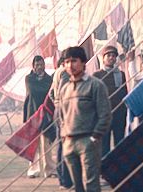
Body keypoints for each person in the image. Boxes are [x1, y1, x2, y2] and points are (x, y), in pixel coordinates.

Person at [58, 46, 112, 192]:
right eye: (67, 62)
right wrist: (64, 137)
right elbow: (61, 116)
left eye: (74, 61)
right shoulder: (65, 89)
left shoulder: (95, 85)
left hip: (88, 141)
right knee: (77, 187)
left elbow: (105, 114)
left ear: (83, 63)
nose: (70, 65)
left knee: (91, 184)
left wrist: (95, 137)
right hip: (69, 142)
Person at [93, 45, 128, 157]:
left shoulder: (120, 74)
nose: (111, 58)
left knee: (120, 143)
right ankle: (105, 171)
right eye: (108, 55)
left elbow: (124, 92)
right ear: (103, 58)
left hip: (119, 113)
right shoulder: (97, 75)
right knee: (104, 145)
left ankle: (119, 170)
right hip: (104, 115)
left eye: (113, 56)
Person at [24, 55, 55, 178]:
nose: (39, 67)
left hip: (46, 114)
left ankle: (50, 169)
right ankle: (33, 169)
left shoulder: (49, 79)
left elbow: (49, 92)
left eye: (41, 64)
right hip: (32, 114)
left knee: (46, 143)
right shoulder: (29, 79)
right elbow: (34, 91)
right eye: (37, 65)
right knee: (33, 144)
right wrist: (45, 90)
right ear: (33, 66)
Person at [49, 56, 73, 190]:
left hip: (58, 109)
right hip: (64, 110)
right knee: (65, 146)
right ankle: (65, 179)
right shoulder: (64, 72)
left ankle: (63, 178)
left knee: (61, 145)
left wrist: (56, 103)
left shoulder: (57, 72)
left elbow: (52, 94)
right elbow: (64, 92)